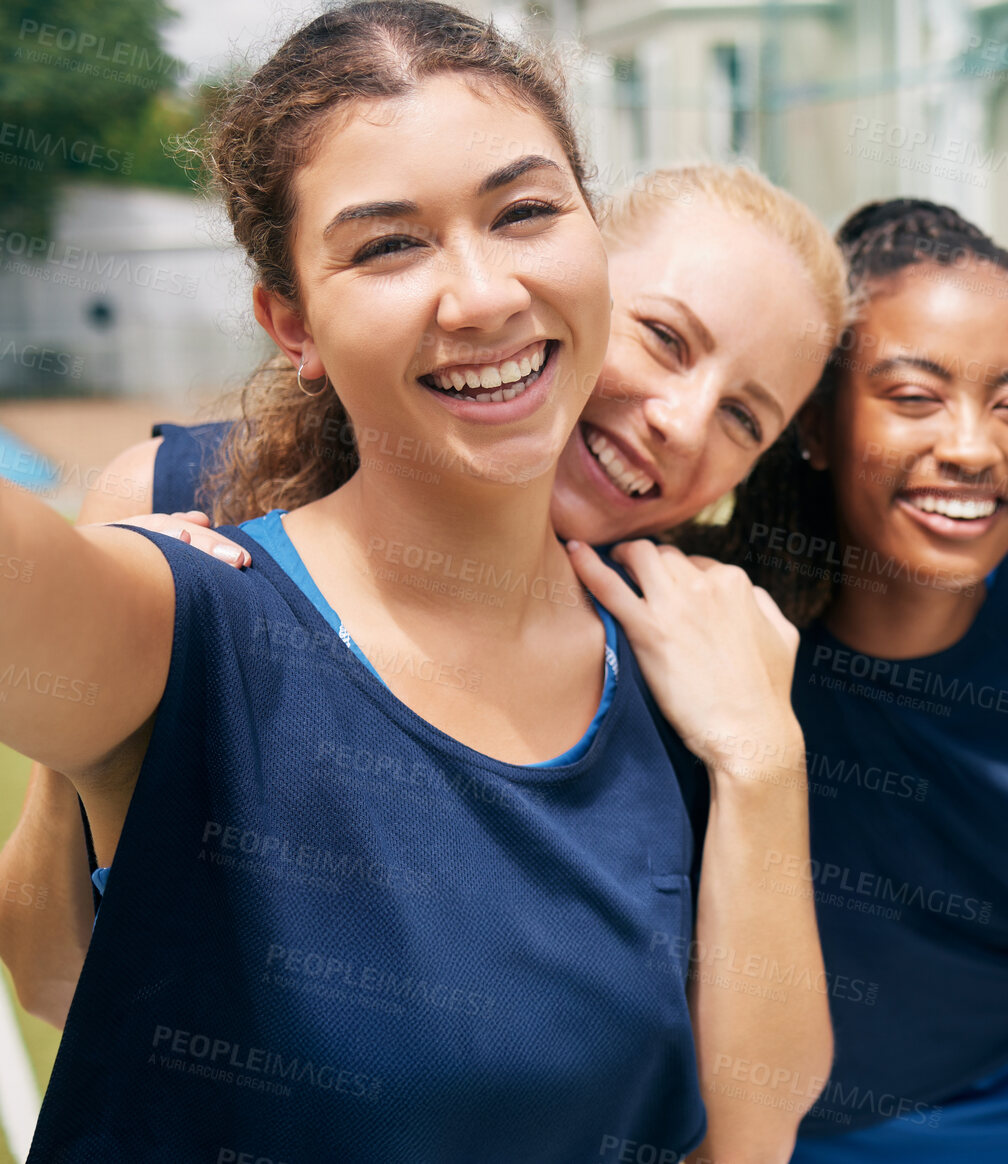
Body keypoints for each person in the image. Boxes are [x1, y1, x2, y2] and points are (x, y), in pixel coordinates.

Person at [2, 4, 823, 1159]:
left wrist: (763, 756)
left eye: (525, 212)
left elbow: (748, 1129)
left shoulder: (693, 661)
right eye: (389, 243)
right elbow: (58, 972)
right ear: (291, 321)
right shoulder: (200, 589)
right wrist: (99, 751)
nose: (483, 294)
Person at [682, 199, 1008, 1161]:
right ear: (813, 423)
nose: (973, 446)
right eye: (914, 396)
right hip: (799, 1134)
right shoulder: (708, 620)